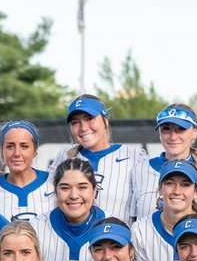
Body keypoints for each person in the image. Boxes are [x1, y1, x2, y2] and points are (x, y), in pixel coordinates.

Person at [50, 94, 151, 223]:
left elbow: (146, 206)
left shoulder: (134, 156)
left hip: (118, 241)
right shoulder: (65, 155)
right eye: (75, 122)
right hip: (73, 241)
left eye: (90, 118)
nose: (83, 128)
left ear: (105, 121)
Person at [28, 158, 106, 261]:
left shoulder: (112, 226)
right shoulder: (36, 227)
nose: (74, 195)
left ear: (94, 191)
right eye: (65, 188)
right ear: (55, 191)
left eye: (82, 187)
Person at [135, 104, 197, 219]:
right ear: (159, 133)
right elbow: (134, 217)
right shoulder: (141, 169)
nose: (173, 137)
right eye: (166, 129)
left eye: (181, 129)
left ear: (194, 133)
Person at [0, 120, 53, 222]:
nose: (17, 153)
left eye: (24, 146)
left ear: (35, 151)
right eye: (10, 146)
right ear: (2, 151)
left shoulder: (54, 183)